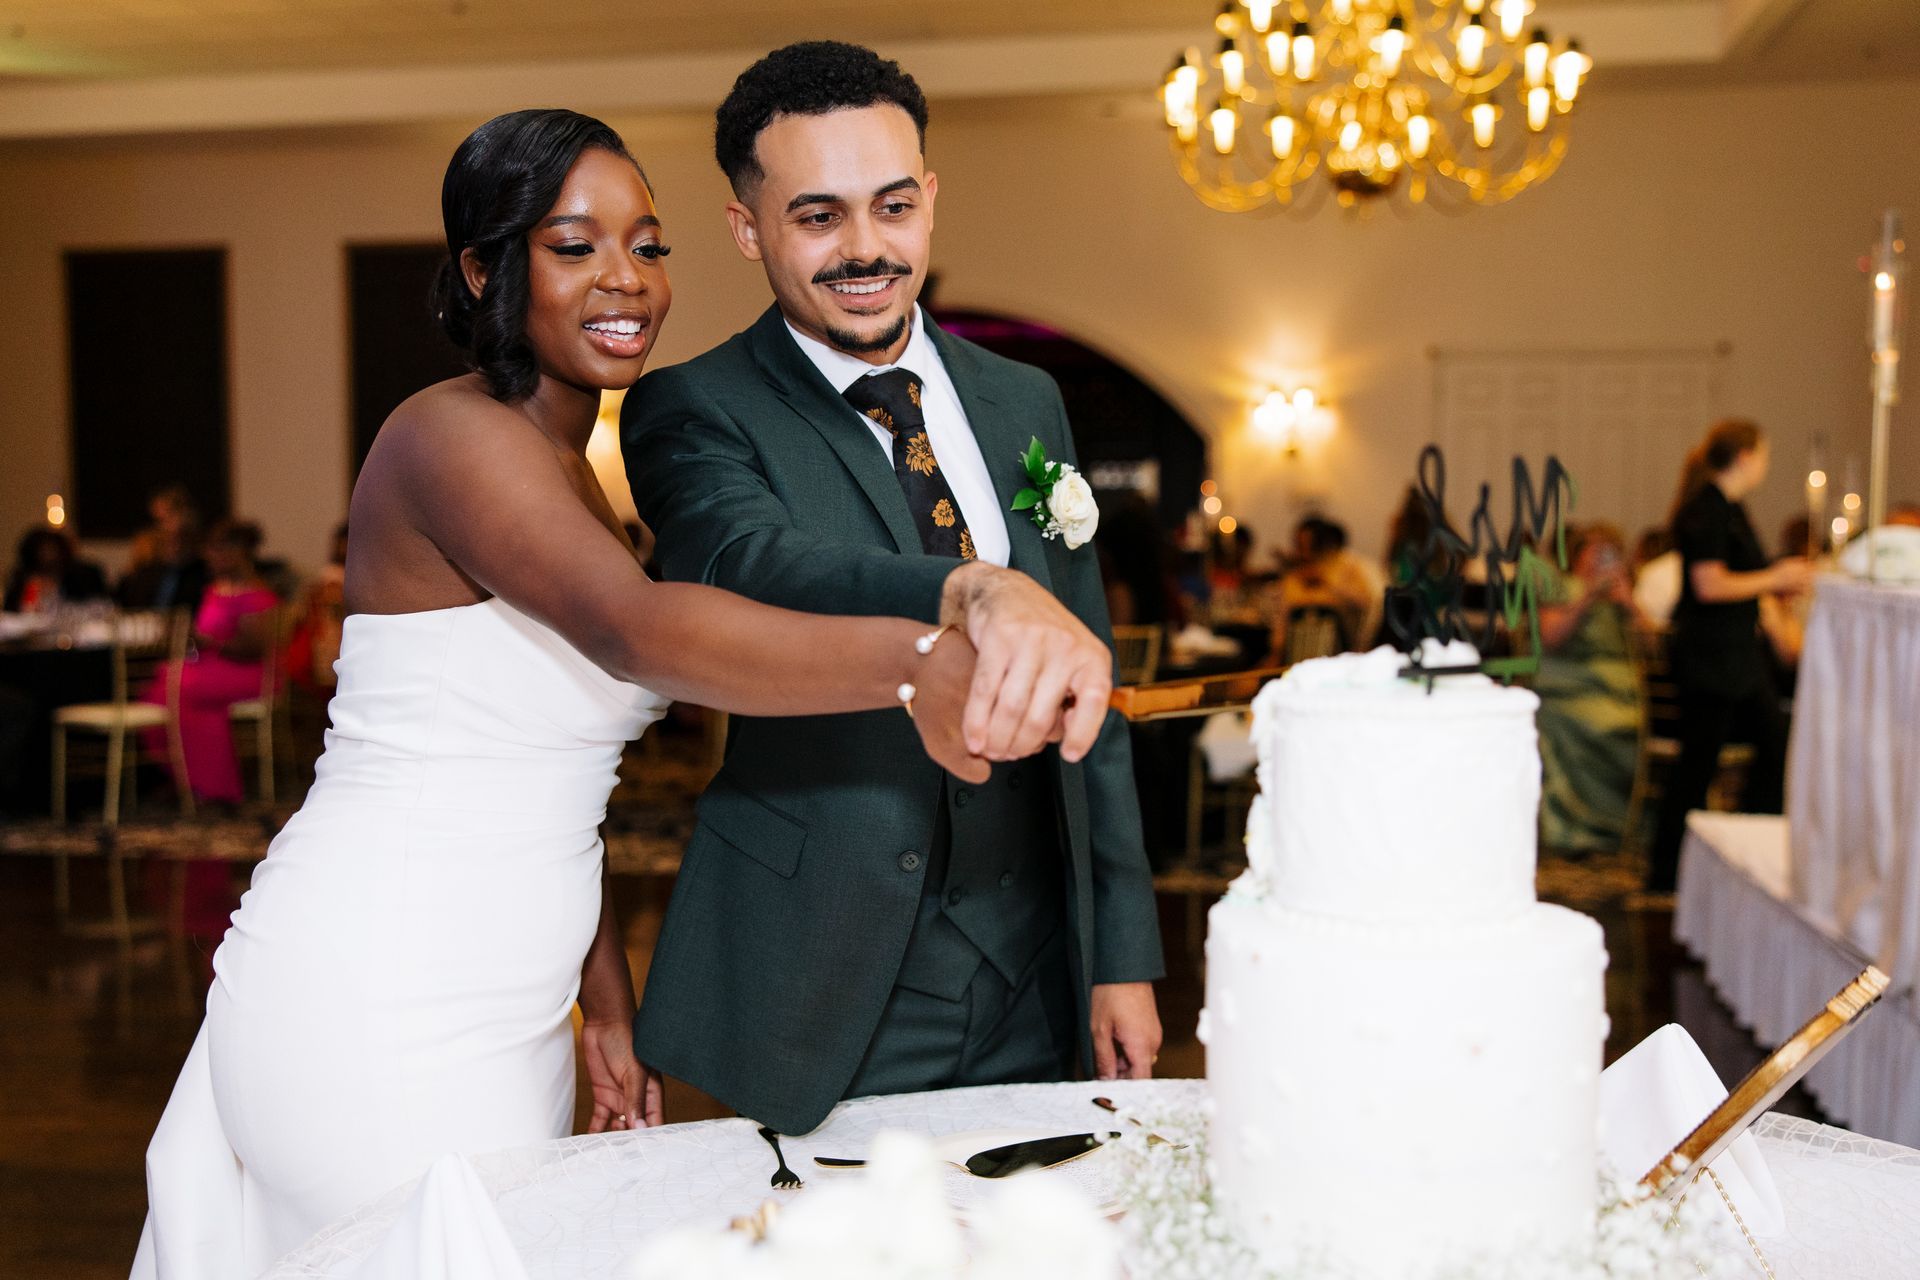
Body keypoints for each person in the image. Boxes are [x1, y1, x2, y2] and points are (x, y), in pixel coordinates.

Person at [133, 108, 1103, 1279]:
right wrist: (917, 661)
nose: (626, 279)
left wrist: (602, 999)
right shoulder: (447, 436)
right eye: (574, 245)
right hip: (374, 988)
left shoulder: (574, 484)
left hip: (515, 1006)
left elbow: (554, 780)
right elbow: (637, 630)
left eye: (648, 245)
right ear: (489, 268)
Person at [621, 42, 1163, 1138]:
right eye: (819, 217)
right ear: (748, 228)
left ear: (930, 202)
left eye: (894, 206)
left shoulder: (1024, 400)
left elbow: (1087, 684)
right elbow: (746, 560)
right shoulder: (694, 407)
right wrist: (970, 587)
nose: (866, 249)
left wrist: (1120, 952)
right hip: (829, 965)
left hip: (1039, 963)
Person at [1647, 420, 1813, 893]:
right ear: (1745, 457)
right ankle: (1670, 873)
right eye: (1763, 454)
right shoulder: (1707, 509)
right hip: (1711, 658)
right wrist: (1775, 578)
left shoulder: (1728, 508)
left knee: (1770, 746)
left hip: (1734, 657)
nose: (1765, 463)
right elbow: (1709, 583)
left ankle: (1736, 859)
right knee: (1698, 765)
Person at [140, 519, 279, 811]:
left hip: (248, 671)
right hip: (213, 667)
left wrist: (209, 641)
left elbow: (255, 648)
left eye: (218, 550)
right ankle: (188, 780)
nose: (211, 557)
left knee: (181, 687)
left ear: (239, 552)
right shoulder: (215, 589)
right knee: (163, 686)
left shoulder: (256, 594)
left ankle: (211, 788)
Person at [1533, 523, 1645, 853]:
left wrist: (1628, 603)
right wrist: (1587, 596)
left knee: (1631, 727)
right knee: (1589, 724)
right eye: (1594, 551)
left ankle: (1626, 821)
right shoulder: (1561, 586)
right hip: (1572, 684)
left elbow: (1653, 645)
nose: (1601, 560)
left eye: (1609, 552)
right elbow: (1550, 638)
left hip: (1623, 690)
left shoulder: (1624, 595)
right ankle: (1581, 825)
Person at [1265, 516, 1378, 663]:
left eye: (1310, 546)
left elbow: (1364, 603)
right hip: (1295, 661)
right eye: (1300, 545)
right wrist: (1275, 654)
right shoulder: (1293, 577)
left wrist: (1326, 581)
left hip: (1339, 659)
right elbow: (1281, 622)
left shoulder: (1347, 568)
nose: (1305, 553)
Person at [115, 484, 208, 612]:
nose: (165, 527)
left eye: (167, 518)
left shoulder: (204, 573)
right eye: (160, 522)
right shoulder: (147, 566)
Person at [3, 527, 108, 613]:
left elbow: (97, 605)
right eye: (42, 550)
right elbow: (16, 611)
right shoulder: (24, 580)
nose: (47, 555)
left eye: (52, 550)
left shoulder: (79, 577)